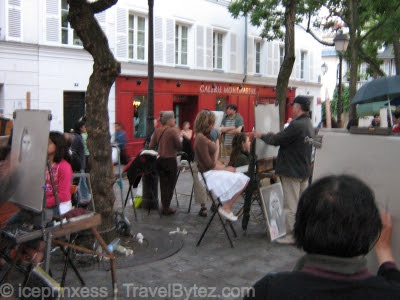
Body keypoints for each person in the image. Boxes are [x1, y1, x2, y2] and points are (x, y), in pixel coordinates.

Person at [244, 175, 400, 299]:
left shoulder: (269, 290)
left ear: (301, 226)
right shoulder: (387, 293)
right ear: (370, 231)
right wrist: (384, 250)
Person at [253, 95, 314, 244]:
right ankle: (300, 233)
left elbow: (275, 141)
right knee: (299, 203)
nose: (292, 108)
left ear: (298, 107)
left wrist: (261, 135)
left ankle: (291, 235)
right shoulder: (308, 123)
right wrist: (277, 135)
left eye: (293, 106)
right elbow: (288, 139)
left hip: (292, 170)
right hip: (303, 169)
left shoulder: (296, 124)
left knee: (290, 204)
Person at [194, 110, 249, 222]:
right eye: (213, 122)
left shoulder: (204, 137)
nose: (215, 125)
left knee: (242, 177)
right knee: (243, 178)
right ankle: (227, 206)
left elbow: (212, 161)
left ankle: (227, 205)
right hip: (208, 173)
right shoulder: (201, 139)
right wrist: (226, 168)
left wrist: (224, 166)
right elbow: (209, 164)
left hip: (211, 170)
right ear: (208, 123)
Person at [149, 111, 182, 215]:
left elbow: (151, 145)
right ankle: (166, 207)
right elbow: (179, 146)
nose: (175, 120)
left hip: (160, 160)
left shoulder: (158, 131)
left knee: (163, 184)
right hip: (170, 160)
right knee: (170, 185)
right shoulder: (172, 131)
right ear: (169, 120)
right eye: (173, 118)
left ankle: (164, 206)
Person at [72, 119, 91, 203]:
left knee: (82, 181)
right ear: (80, 128)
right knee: (81, 181)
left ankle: (83, 197)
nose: (86, 128)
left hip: (81, 163)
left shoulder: (79, 137)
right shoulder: (77, 138)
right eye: (84, 126)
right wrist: (78, 162)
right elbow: (74, 152)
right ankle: (84, 198)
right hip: (80, 164)